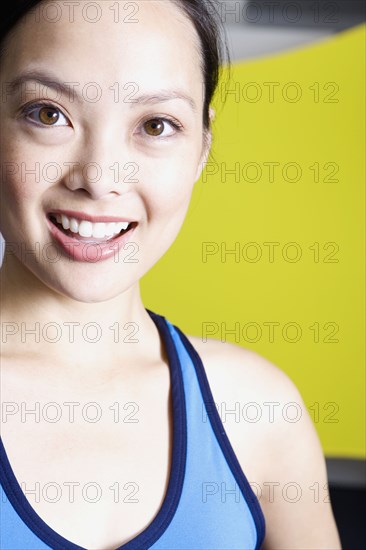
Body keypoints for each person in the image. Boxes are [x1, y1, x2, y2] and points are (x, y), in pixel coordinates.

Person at [0, 1, 341, 549]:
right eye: (47, 113)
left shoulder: (258, 411)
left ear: (202, 148)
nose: (99, 177)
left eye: (156, 125)